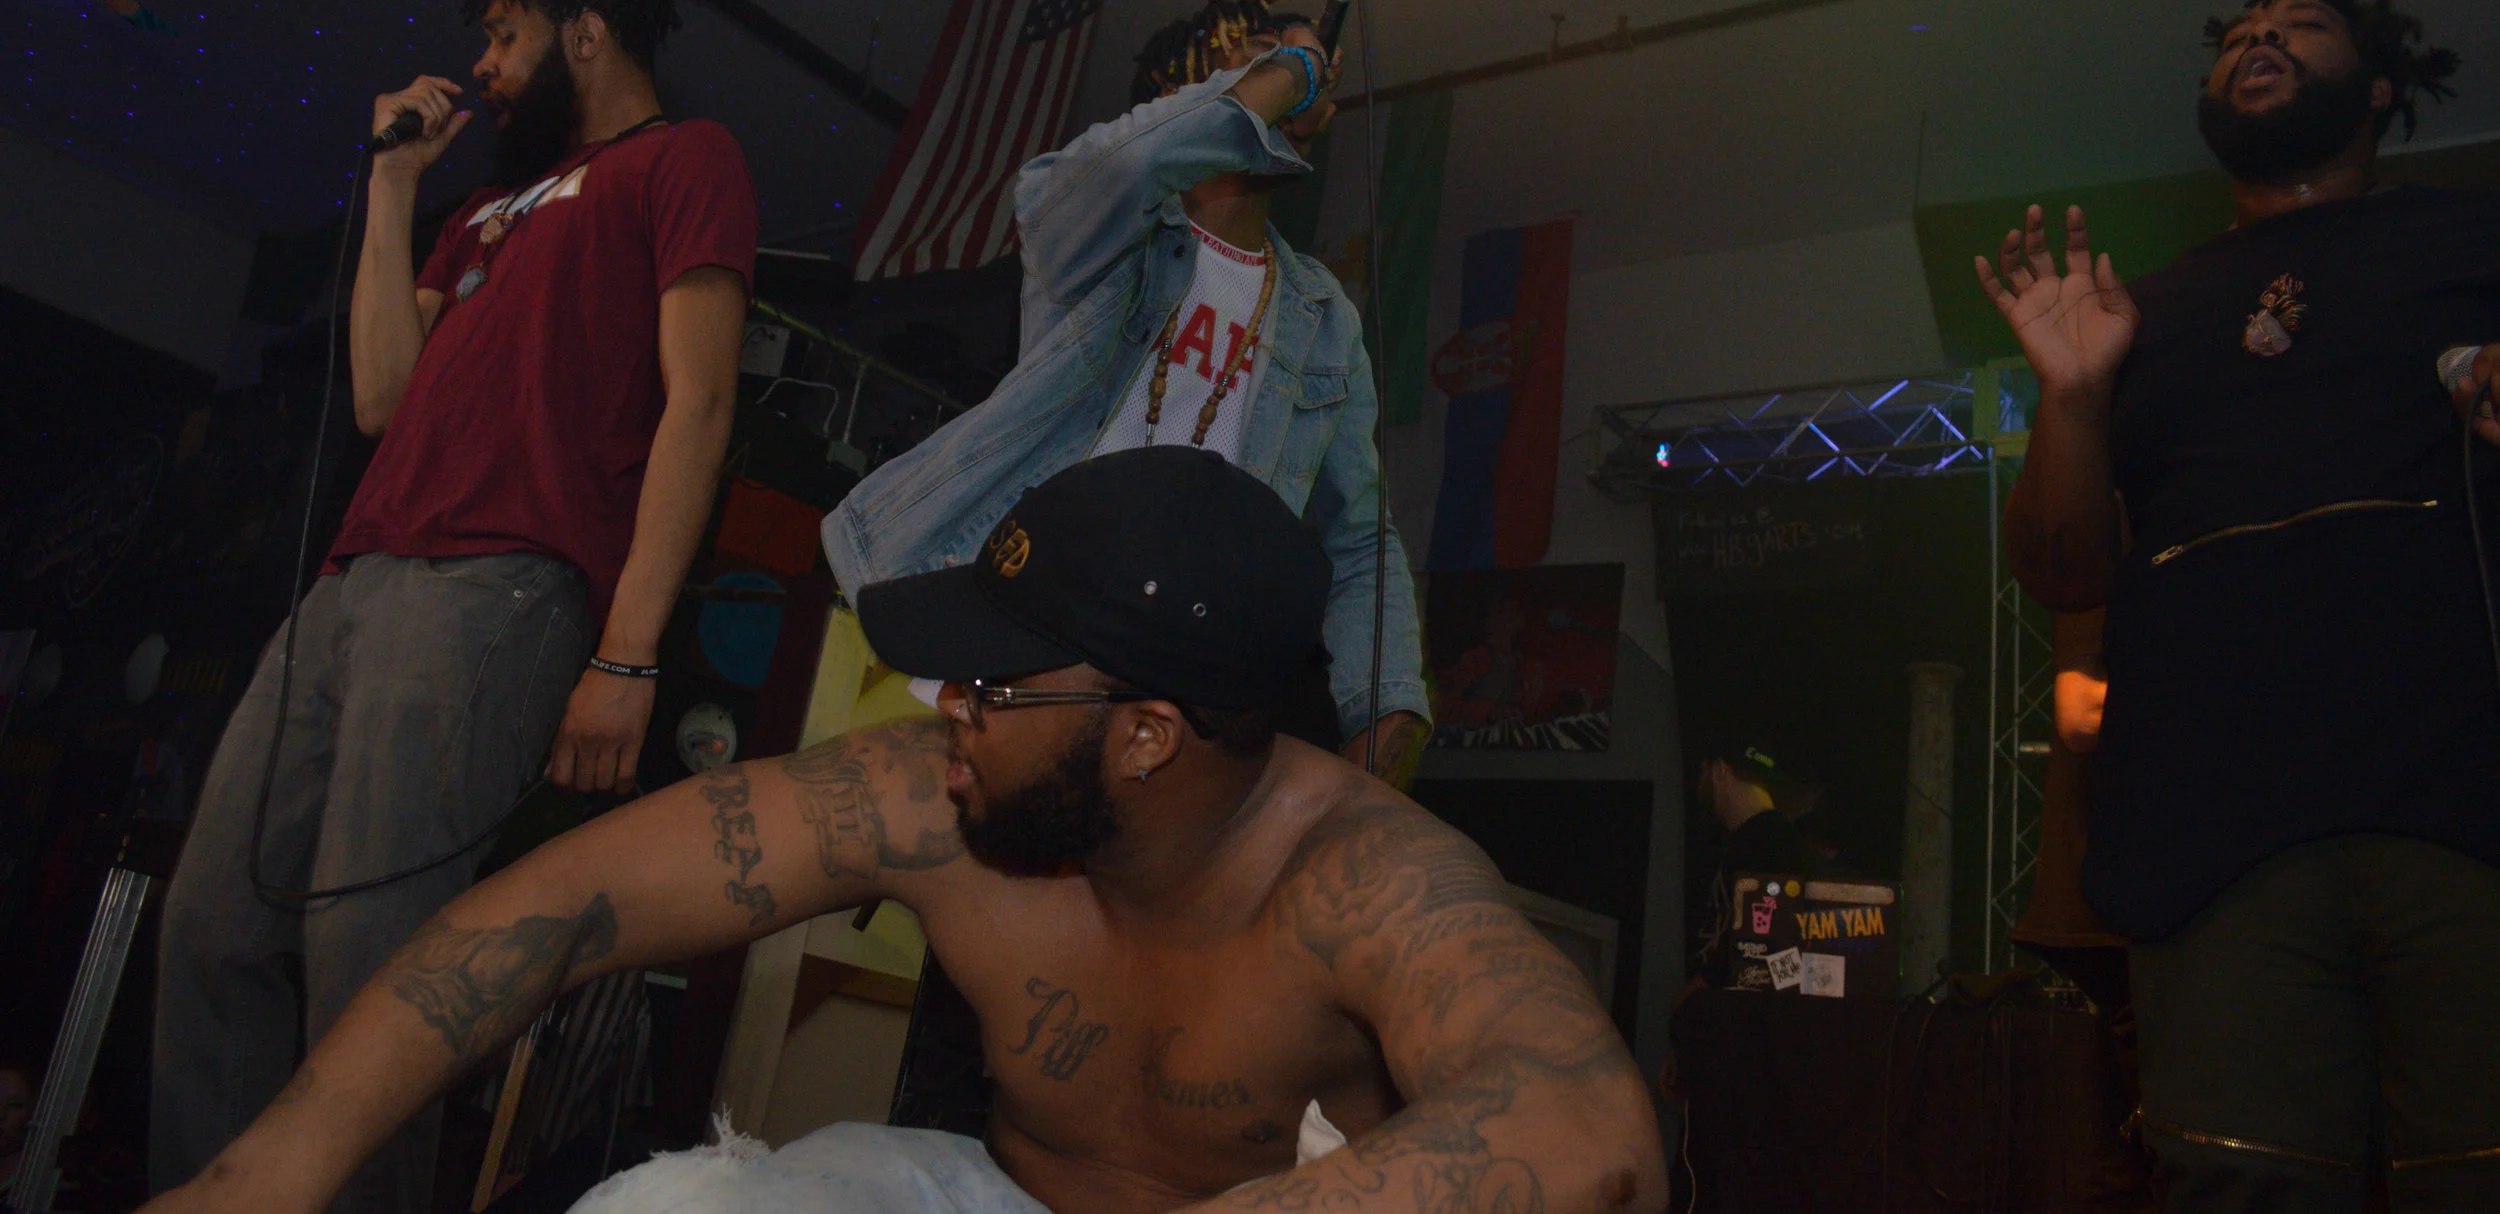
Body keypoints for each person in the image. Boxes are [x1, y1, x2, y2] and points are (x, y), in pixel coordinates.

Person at [140, 449, 1666, 1214]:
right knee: (665, 1208)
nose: (947, 705)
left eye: (995, 681)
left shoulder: (1365, 877)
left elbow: (1593, 1133)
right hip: (989, 1196)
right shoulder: (936, 794)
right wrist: (264, 1173)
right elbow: (571, 899)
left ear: (1144, 732)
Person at [152, 0, 758, 1214]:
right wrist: (391, 189)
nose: (482, 66)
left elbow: (700, 405)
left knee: (369, 955)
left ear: (583, 31)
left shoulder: (683, 159)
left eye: (503, 34)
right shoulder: (479, 211)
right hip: (353, 581)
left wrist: (628, 651)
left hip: (497, 586)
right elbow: (381, 393)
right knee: (212, 923)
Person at [1975, 0, 2500, 1210]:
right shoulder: (2139, 314)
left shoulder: (2470, 242)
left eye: (2300, 26)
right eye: (2241, 34)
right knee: (2233, 1186)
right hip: (2211, 834)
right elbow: (2060, 572)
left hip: (2461, 803)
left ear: (2378, 89)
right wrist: (2071, 398)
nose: (2260, 37)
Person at [825, 0, 1428, 771]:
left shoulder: (1323, 318)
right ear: (1180, 92)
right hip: (992, 638)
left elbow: (1359, 539)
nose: (1292, 75)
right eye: (1259, 53)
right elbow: (1131, 163)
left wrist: (1388, 711)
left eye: (1298, 64)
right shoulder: (1106, 228)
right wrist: (1295, 70)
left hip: (1156, 683)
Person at [1688, 741, 1812, 985]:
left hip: (1738, 1003)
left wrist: (1698, 990)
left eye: (1702, 772)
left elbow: (1771, 955)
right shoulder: (1768, 840)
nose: (1699, 784)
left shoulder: (1769, 846)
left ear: (1720, 769)